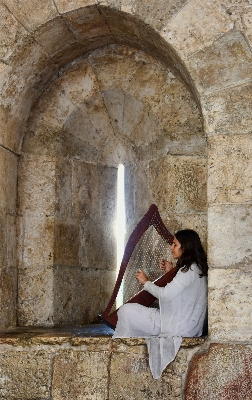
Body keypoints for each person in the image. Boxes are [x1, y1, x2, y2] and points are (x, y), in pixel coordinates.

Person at [113, 229, 208, 379]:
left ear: (185, 247)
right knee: (139, 311)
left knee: (126, 311)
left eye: (174, 244)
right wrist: (171, 272)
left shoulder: (187, 271)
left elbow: (164, 294)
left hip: (177, 326)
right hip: (189, 325)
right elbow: (181, 293)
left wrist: (145, 282)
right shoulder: (195, 268)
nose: (171, 247)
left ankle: (120, 351)